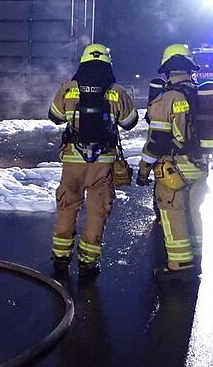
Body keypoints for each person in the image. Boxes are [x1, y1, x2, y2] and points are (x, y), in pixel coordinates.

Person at [49, 44, 138, 274]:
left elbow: (55, 117)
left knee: (67, 207)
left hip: (73, 160)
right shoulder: (117, 91)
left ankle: (60, 258)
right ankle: (88, 262)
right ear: (108, 63)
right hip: (103, 162)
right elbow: (130, 122)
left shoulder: (68, 89)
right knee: (98, 211)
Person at [136, 44, 208, 282]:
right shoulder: (200, 93)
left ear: (168, 70)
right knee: (193, 212)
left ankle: (180, 264)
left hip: (175, 166)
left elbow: (157, 141)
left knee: (173, 212)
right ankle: (196, 256)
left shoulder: (168, 98)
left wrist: (144, 169)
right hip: (200, 165)